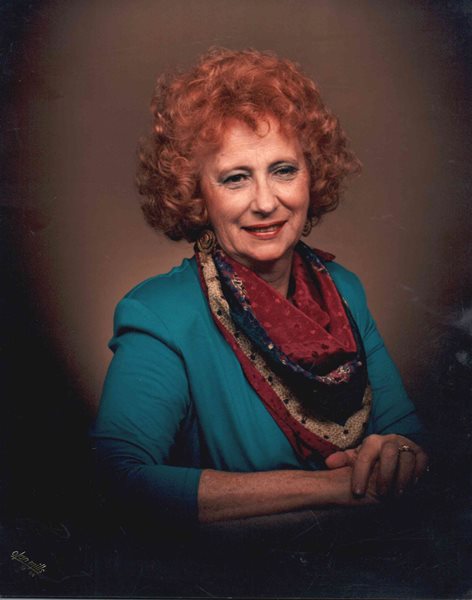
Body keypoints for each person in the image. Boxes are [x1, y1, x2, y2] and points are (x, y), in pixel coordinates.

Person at [90, 48, 428, 528]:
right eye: (235, 179)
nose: (266, 202)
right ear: (197, 194)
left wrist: (397, 454)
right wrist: (335, 487)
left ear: (313, 175)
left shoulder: (346, 290)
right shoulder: (159, 314)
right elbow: (117, 481)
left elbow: (407, 436)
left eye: (284, 170)